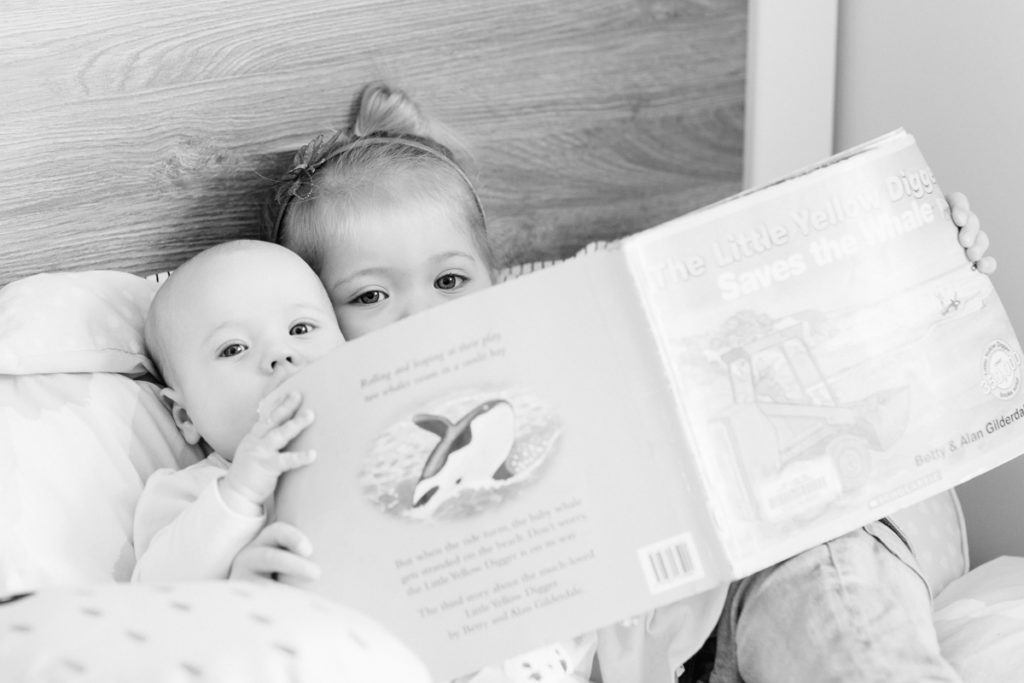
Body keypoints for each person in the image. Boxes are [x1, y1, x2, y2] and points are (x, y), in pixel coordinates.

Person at [268, 83, 992, 682]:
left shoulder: (556, 331)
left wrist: (935, 257)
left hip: (781, 542)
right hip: (682, 644)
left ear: (494, 281)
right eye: (369, 297)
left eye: (450, 279)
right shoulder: (311, 460)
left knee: (826, 592)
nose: (419, 313)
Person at [132, 240, 344, 583]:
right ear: (186, 417)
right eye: (233, 349)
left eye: (300, 329)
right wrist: (239, 494)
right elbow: (154, 591)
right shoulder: (189, 493)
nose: (280, 352)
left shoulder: (386, 429)